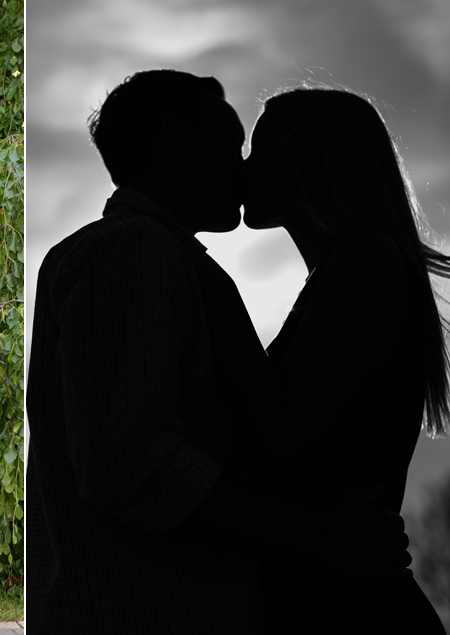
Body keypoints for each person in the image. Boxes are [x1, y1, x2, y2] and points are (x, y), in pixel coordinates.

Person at [26, 70, 412, 634]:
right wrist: (315, 533)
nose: (246, 166)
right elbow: (134, 461)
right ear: (179, 137)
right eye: (236, 144)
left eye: (256, 148)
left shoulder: (170, 261)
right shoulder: (137, 252)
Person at [243, 86, 447, 633]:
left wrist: (211, 294)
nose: (244, 168)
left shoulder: (366, 261)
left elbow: (278, 432)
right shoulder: (346, 269)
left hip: (348, 609)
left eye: (261, 153)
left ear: (307, 165)